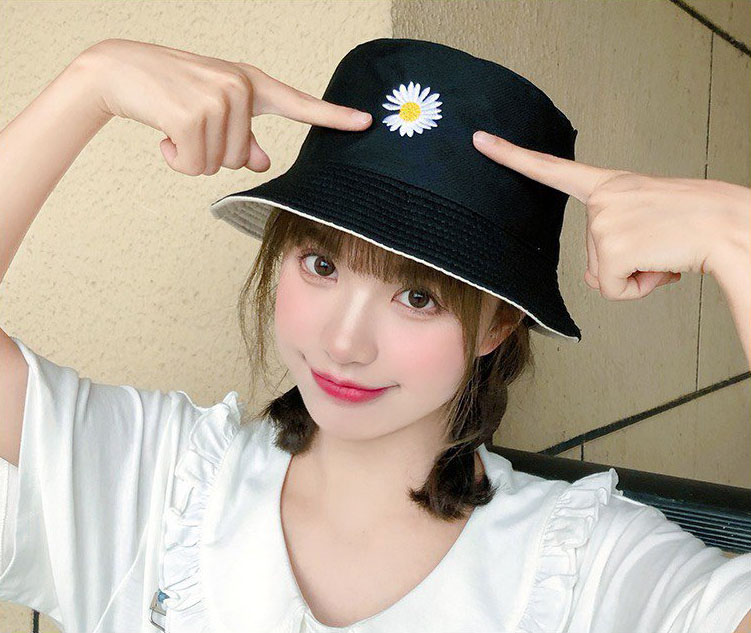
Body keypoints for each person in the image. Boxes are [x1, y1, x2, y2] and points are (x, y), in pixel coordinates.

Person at [0, 36, 749, 633]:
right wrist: (91, 82)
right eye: (321, 264)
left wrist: (737, 239)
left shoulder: (586, 569)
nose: (345, 343)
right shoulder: (160, 482)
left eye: (418, 296)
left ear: (498, 323)